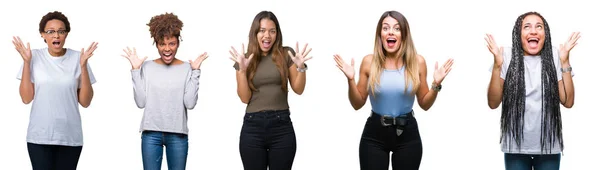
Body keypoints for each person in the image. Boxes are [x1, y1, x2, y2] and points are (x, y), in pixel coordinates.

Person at [333, 10, 454, 170]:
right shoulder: (369, 62)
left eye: (397, 28)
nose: (391, 31)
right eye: (385, 28)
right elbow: (357, 104)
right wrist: (350, 80)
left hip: (407, 134)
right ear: (380, 34)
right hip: (375, 134)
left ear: (404, 34)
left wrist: (436, 84)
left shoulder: (418, 62)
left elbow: (425, 103)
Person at [485, 11, 578, 170]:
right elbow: (493, 103)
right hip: (516, 146)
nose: (533, 31)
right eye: (527, 27)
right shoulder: (506, 56)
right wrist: (497, 66)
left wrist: (565, 61)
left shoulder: (555, 55)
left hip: (548, 146)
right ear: (518, 34)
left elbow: (568, 101)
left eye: (539, 27)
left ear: (545, 34)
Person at [121, 12, 208, 170]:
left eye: (172, 44)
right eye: (162, 44)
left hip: (178, 135)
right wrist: (135, 70)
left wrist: (195, 72)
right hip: (151, 134)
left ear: (178, 44)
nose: (167, 49)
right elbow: (140, 103)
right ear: (156, 44)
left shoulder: (187, 68)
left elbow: (190, 103)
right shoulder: (146, 67)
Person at [14, 11, 98, 170]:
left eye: (61, 31)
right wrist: (26, 62)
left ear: (66, 34)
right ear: (42, 35)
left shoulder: (78, 58)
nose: (56, 36)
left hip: (70, 137)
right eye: (50, 32)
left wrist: (83, 66)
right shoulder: (33, 56)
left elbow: (85, 102)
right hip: (39, 136)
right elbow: (26, 98)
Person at [228, 10, 312, 170]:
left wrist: (301, 68)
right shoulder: (245, 59)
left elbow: (298, 89)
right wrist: (242, 70)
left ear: (277, 34)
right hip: (253, 127)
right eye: (262, 30)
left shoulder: (286, 54)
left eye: (272, 31)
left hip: (281, 127)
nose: (267, 35)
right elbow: (245, 98)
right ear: (255, 33)